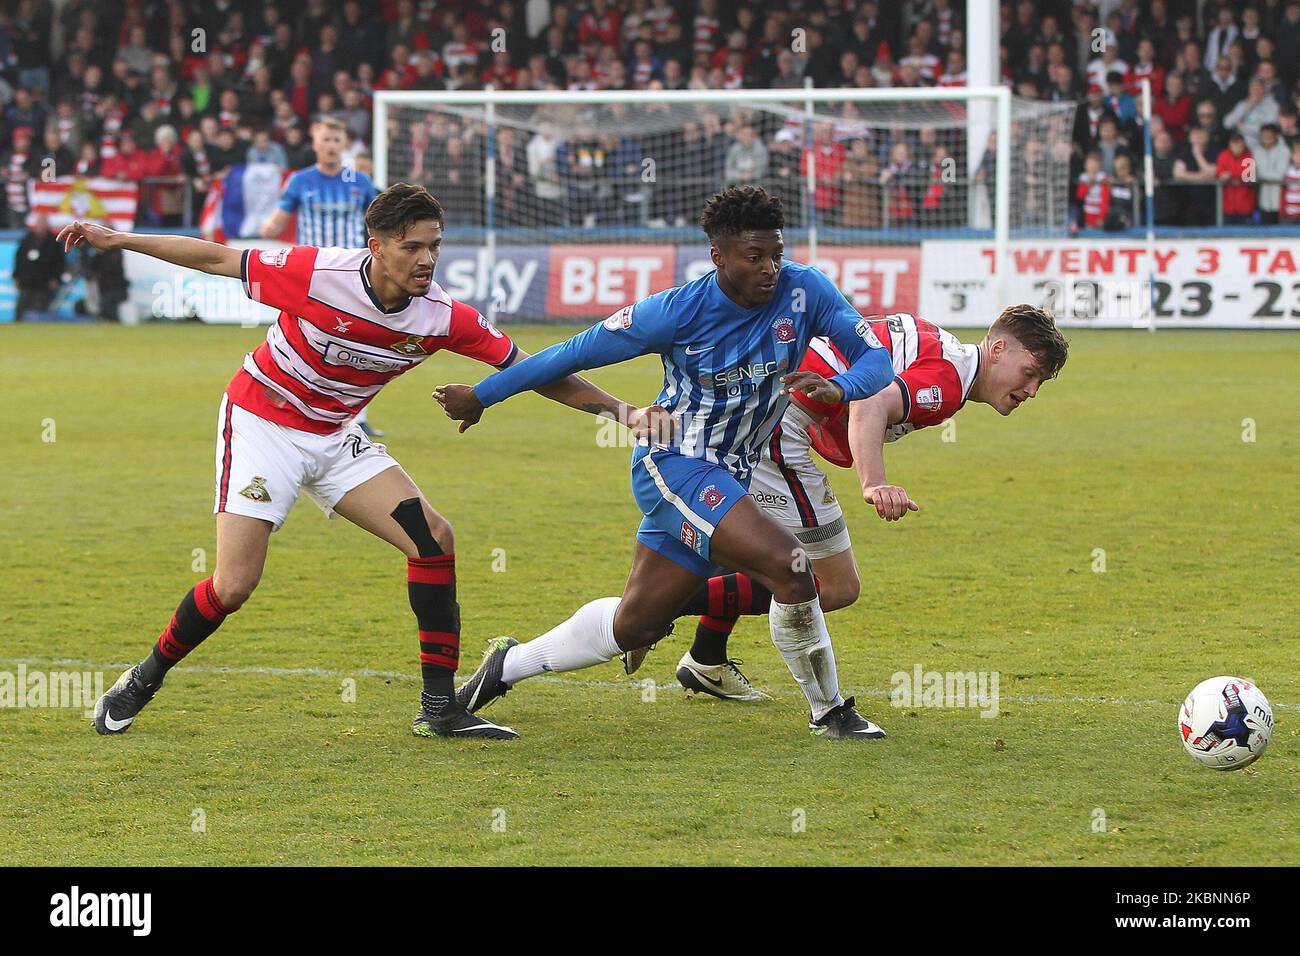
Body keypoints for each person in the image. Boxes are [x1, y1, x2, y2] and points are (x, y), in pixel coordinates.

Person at [60, 183, 659, 741]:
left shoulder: (443, 317)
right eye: (412, 247)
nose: (427, 260)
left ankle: (440, 708)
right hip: (263, 423)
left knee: (433, 540)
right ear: (376, 247)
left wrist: (623, 412)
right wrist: (120, 239)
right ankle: (143, 677)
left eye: (435, 246)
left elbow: (531, 369)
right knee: (235, 585)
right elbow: (219, 258)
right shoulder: (317, 273)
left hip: (335, 435)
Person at [435, 186, 899, 741]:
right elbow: (568, 354)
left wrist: (838, 388)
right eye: (754, 257)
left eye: (775, 252)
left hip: (731, 473)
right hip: (675, 464)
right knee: (793, 567)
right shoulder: (677, 311)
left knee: (636, 625)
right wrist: (483, 396)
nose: (770, 268)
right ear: (718, 257)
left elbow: (878, 359)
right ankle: (831, 713)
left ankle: (503, 666)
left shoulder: (806, 291)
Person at [629, 308, 1067, 698]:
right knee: (835, 585)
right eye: (1029, 373)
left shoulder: (945, 350)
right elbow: (871, 403)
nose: (1031, 390)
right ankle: (654, 611)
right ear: (998, 348)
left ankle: (705, 656)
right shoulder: (949, 382)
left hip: (764, 409)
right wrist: (874, 483)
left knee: (757, 548)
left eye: (1040, 382)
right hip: (781, 428)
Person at [260, 117, 386, 438]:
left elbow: (378, 220)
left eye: (336, 140)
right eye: (325, 140)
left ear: (344, 145)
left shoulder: (358, 181)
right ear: (315, 145)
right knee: (299, 337)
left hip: (351, 271)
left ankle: (357, 417)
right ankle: (288, 402)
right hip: (310, 271)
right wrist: (270, 227)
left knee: (360, 341)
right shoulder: (301, 181)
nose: (331, 146)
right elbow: (278, 218)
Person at [13, 213, 65, 319]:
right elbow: (19, 258)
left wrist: (56, 278)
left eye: (43, 223)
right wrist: (16, 275)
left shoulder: (54, 241)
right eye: (39, 222)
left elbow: (59, 262)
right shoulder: (27, 239)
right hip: (27, 280)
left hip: (44, 281)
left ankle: (38, 325)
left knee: (40, 307)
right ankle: (18, 324)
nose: (40, 225)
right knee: (21, 306)